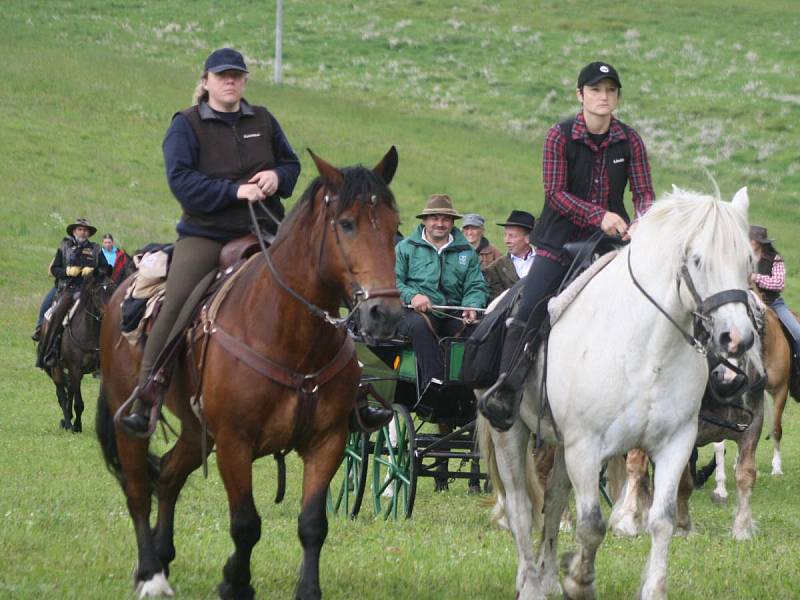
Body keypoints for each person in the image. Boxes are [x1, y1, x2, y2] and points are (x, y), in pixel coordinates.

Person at [119, 47, 303, 435]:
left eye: (237, 74)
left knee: (314, 284)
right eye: (222, 75)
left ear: (245, 81)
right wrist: (234, 192)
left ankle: (353, 389)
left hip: (266, 230)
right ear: (206, 82)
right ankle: (147, 392)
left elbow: (291, 164)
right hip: (206, 234)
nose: (230, 81)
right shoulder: (185, 125)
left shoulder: (263, 120)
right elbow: (181, 181)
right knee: (177, 301)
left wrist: (276, 177)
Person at [479, 61, 655, 431]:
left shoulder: (631, 140)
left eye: (610, 91)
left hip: (612, 243)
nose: (603, 97)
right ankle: (506, 389)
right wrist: (599, 215)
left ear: (618, 97)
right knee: (528, 307)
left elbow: (644, 193)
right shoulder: (559, 136)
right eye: (595, 90)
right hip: (559, 242)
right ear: (581, 96)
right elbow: (555, 194)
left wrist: (643, 218)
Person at [395, 194, 488, 399]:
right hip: (413, 313)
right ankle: (433, 389)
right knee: (420, 328)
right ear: (425, 221)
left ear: (452, 223)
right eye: (435, 218)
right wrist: (413, 296)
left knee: (477, 331)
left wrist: (471, 305)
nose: (440, 223)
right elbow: (393, 282)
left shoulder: (467, 252)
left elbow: (476, 284)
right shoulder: (405, 248)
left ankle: (468, 393)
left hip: (452, 313)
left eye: (445, 219)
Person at [36, 218, 110, 368]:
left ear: (89, 233)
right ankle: (48, 352)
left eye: (85, 230)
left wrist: (94, 271)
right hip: (68, 289)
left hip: (89, 290)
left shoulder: (96, 249)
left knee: (106, 313)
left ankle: (108, 357)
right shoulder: (64, 246)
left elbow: (105, 268)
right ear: (74, 231)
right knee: (56, 315)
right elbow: (54, 269)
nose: (82, 232)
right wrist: (67, 271)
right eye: (80, 229)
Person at [750, 225, 800, 366]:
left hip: (774, 304)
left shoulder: (775, 259)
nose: (748, 242)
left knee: (798, 334)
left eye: (751, 240)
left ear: (758, 242)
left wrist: (756, 277)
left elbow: (779, 284)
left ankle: (797, 370)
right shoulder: (743, 257)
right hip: (750, 303)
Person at [483, 210, 536, 301]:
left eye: (512, 236)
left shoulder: (544, 262)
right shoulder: (495, 268)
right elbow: (496, 304)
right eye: (505, 235)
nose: (506, 240)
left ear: (528, 238)